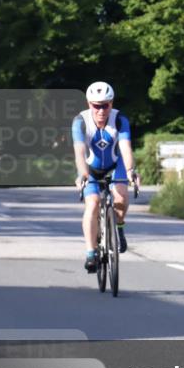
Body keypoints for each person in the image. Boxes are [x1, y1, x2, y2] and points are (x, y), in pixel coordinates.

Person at [72, 82, 140, 272]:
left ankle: (119, 227)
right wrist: (83, 174)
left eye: (105, 105)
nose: (101, 110)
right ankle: (91, 253)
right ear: (89, 104)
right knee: (92, 203)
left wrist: (130, 171)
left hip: (114, 165)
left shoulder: (120, 119)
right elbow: (79, 152)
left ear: (111, 103)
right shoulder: (80, 122)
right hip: (90, 168)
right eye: (96, 105)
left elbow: (125, 148)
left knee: (121, 197)